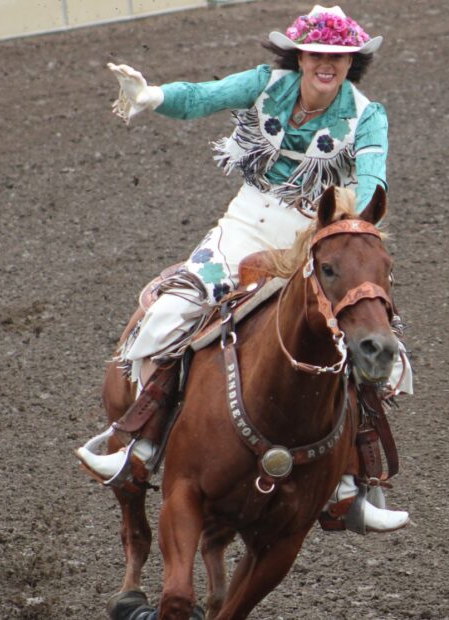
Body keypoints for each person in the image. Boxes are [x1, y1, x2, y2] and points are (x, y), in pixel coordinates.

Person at [74, 5, 410, 533]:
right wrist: (154, 97)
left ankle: (352, 484)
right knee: (173, 309)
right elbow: (205, 96)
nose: (328, 63)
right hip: (243, 229)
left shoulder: (367, 115)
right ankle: (138, 443)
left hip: (315, 241)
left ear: (352, 63)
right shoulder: (265, 84)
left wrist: (355, 225)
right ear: (300, 55)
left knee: (368, 343)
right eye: (319, 53)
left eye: (340, 56)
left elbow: (371, 174)